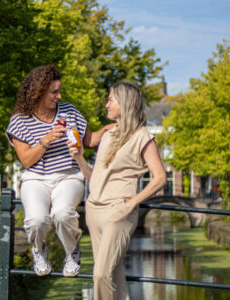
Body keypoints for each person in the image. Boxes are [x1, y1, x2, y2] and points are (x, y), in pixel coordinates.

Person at [5, 65, 113, 277]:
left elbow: (89, 140)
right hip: (35, 178)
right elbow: (26, 160)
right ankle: (39, 249)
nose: (59, 95)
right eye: (54, 92)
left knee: (62, 214)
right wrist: (45, 140)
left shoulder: (69, 111)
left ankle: (72, 252)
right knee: (36, 220)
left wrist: (114, 127)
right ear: (38, 91)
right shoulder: (19, 121)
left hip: (68, 175)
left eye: (59, 90)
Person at [68, 81, 167, 299]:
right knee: (114, 274)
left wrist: (131, 204)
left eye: (111, 99)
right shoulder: (107, 136)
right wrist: (80, 159)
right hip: (95, 210)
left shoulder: (143, 136)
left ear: (125, 102)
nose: (106, 105)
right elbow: (97, 179)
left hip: (118, 212)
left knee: (100, 274)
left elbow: (160, 178)